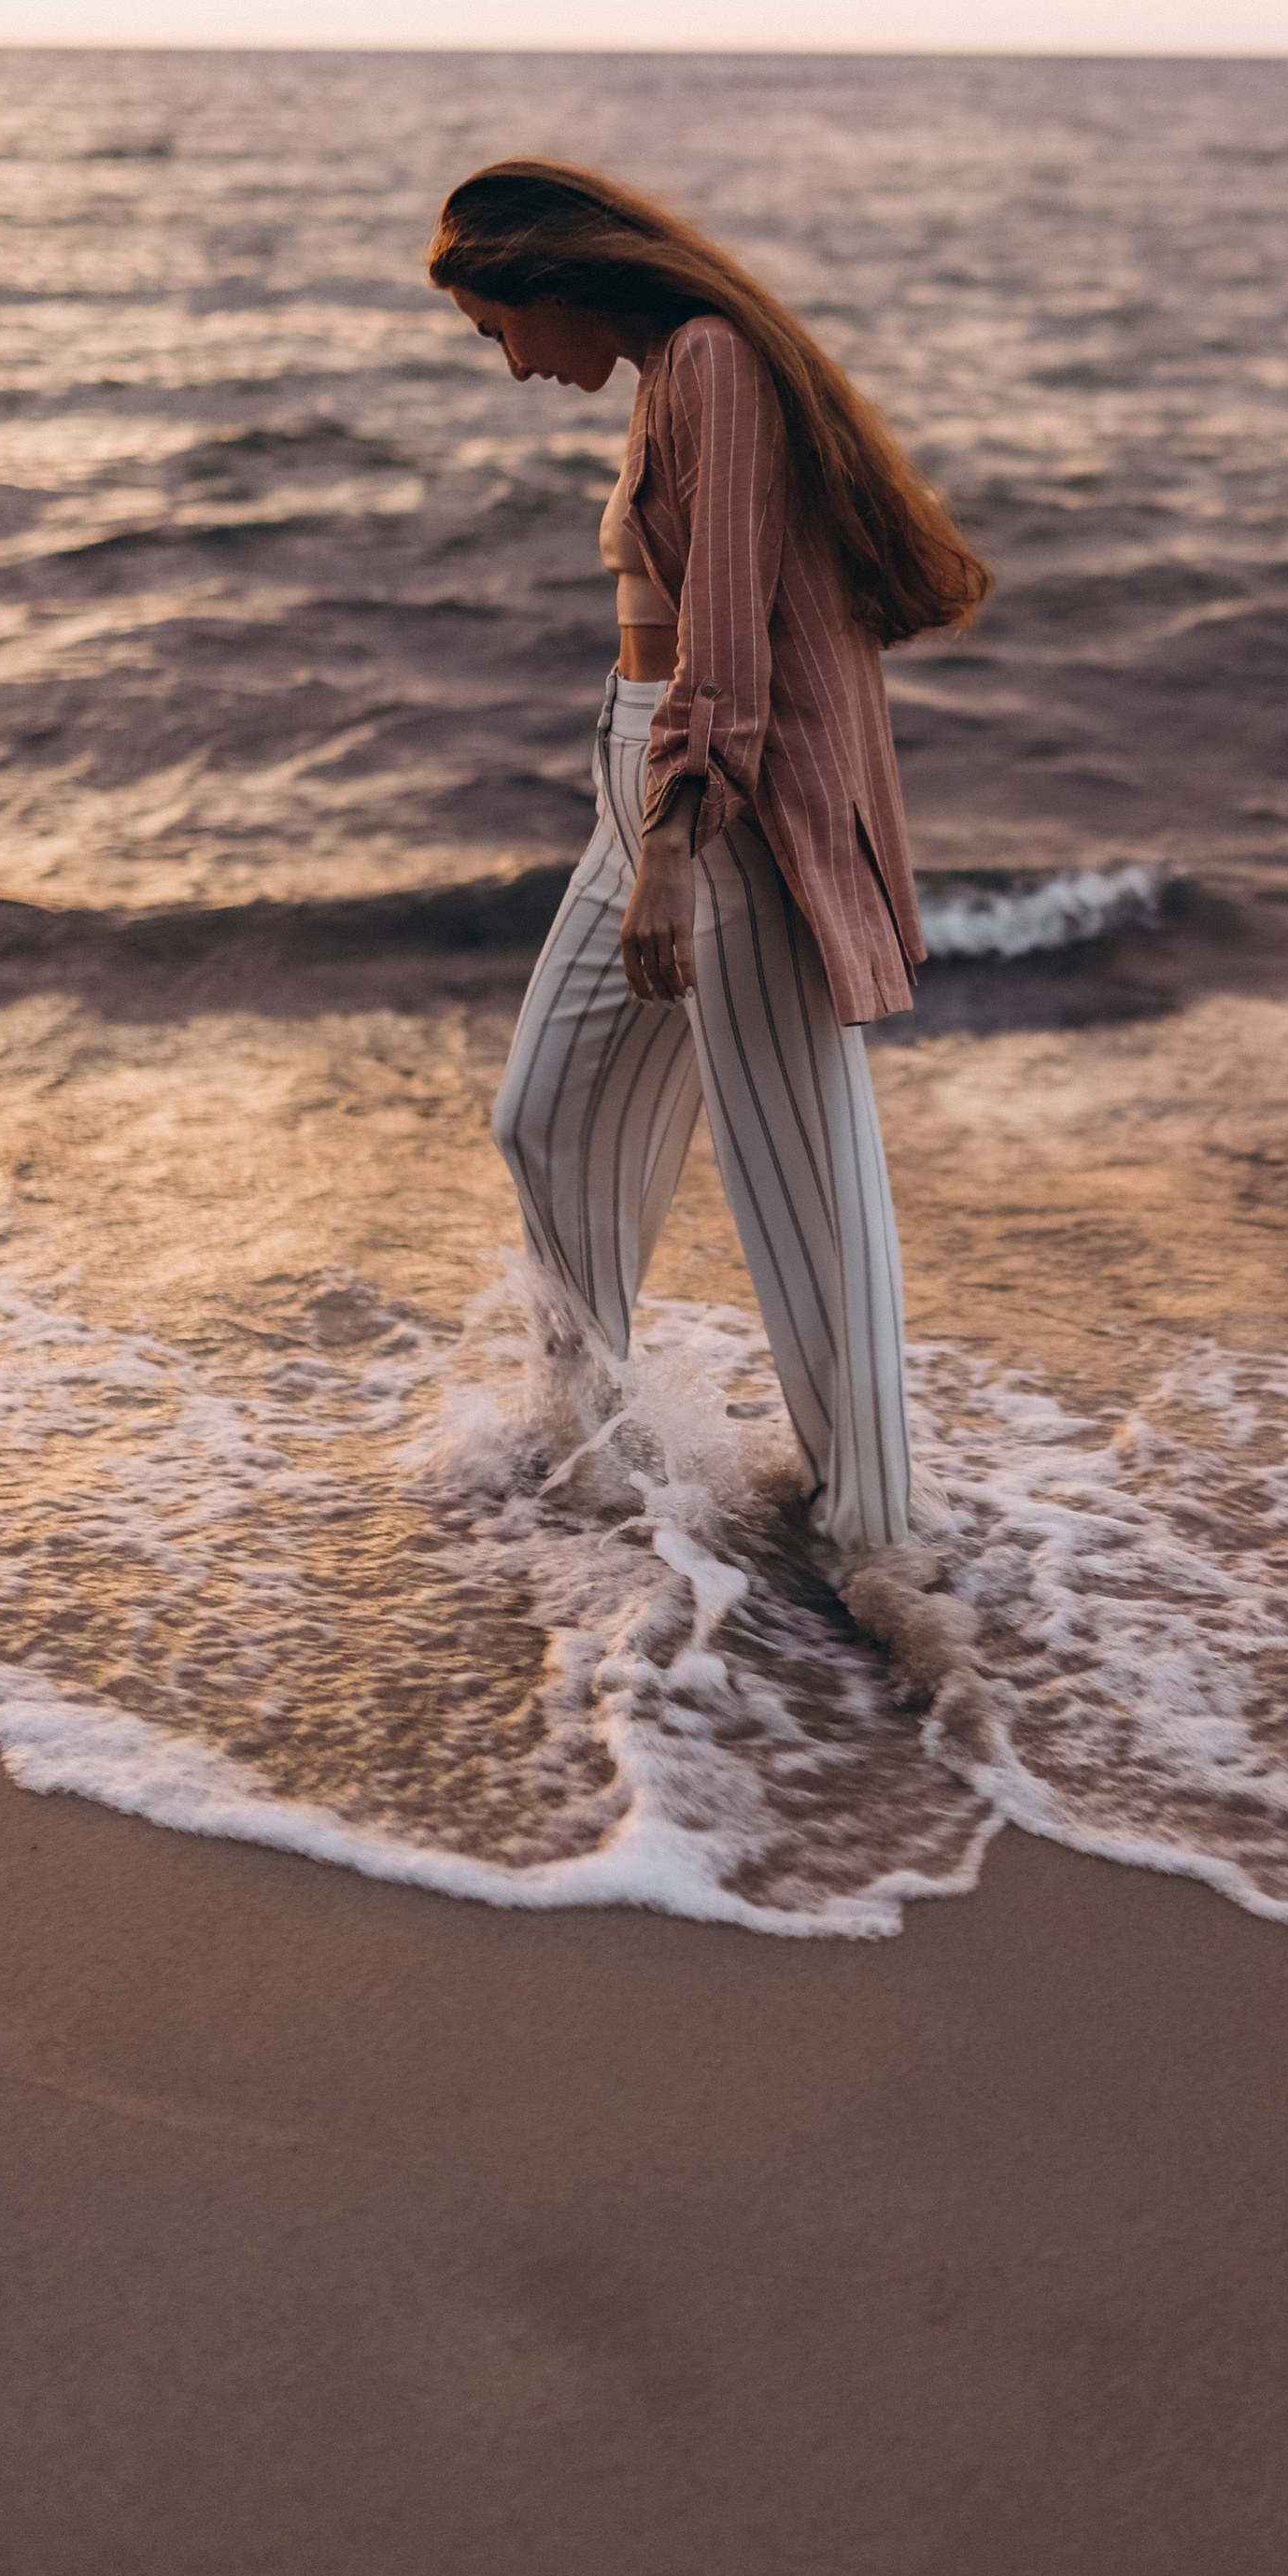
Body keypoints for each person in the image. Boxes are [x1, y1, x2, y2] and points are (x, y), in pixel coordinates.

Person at [426, 157, 990, 1566]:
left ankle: (876, 1537)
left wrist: (676, 841)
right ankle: (594, 1444)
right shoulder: (669, 373)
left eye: (502, 328)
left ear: (556, 281)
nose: (511, 367)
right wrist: (647, 817)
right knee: (543, 1117)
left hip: (713, 802)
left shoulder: (713, 364)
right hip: (648, 779)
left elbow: (726, 638)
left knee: (802, 1188)